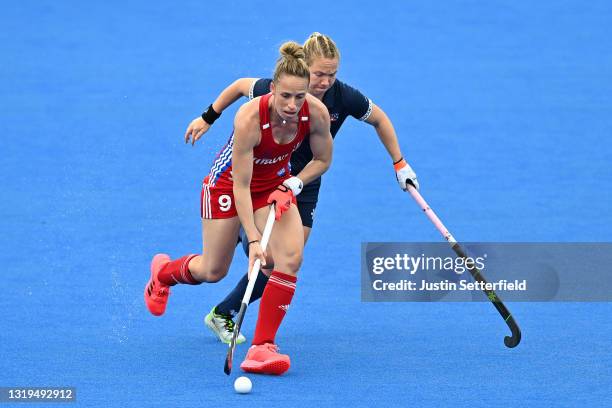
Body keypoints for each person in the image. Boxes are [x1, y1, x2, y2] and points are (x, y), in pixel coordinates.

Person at [184, 32, 419, 344]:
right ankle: (246, 234)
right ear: (304, 69)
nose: (324, 82)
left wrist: (399, 163)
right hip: (258, 175)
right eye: (319, 74)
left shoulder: (339, 99)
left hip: (302, 180)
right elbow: (241, 86)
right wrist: (208, 116)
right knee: (222, 266)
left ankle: (234, 320)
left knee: (285, 261)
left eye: (331, 75)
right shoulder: (278, 91)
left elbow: (379, 120)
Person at [146, 41, 333, 375]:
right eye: (286, 96)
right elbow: (241, 186)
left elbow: (322, 160)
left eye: (300, 96)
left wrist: (294, 183)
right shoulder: (249, 118)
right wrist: (255, 239)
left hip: (272, 186)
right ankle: (162, 274)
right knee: (212, 271)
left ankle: (262, 347)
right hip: (227, 186)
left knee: (289, 258)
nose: (292, 105)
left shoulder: (315, 113)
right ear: (272, 89)